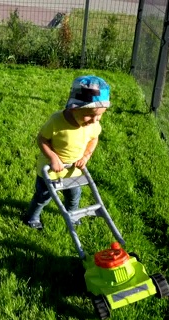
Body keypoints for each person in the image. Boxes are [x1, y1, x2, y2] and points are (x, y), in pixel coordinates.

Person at [22, 75, 110, 230]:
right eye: (89, 114)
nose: (95, 120)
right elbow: (42, 139)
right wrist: (53, 158)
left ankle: (72, 215)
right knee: (43, 197)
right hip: (51, 172)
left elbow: (94, 139)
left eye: (100, 115)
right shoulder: (57, 121)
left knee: (74, 197)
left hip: (74, 171)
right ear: (73, 107)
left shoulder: (93, 125)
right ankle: (32, 217)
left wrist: (86, 155)